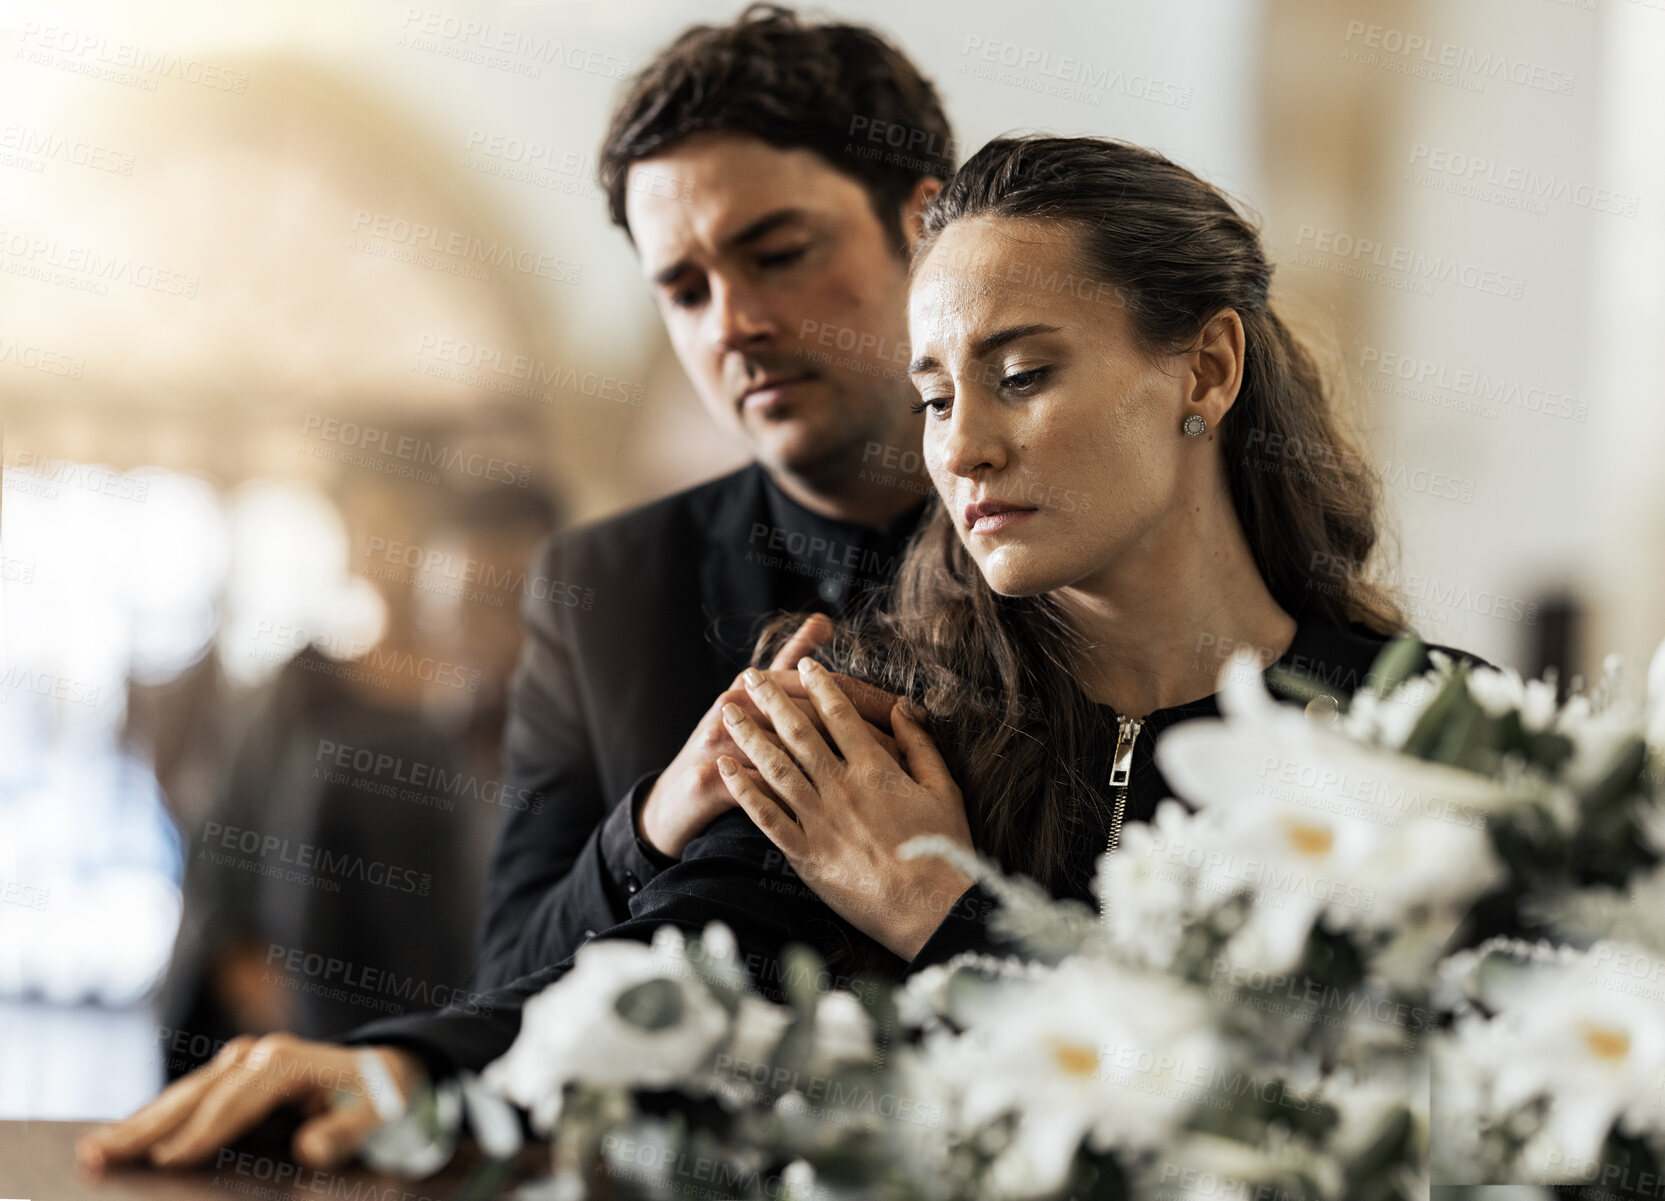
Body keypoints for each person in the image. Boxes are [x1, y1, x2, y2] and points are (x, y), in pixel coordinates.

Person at [77, 132, 1469, 1176]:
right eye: (935, 393)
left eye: (1024, 373)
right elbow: (653, 985)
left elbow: (1362, 1120)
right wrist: (395, 1071)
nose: (963, 447)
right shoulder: (882, 714)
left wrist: (948, 921)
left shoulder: (1438, 748)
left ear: (1207, 372)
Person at [79, 3, 953, 1174]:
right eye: (682, 289)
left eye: (779, 254)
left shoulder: (1054, 551)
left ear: (926, 221)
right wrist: (657, 815)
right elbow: (514, 976)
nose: (734, 325)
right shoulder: (607, 582)